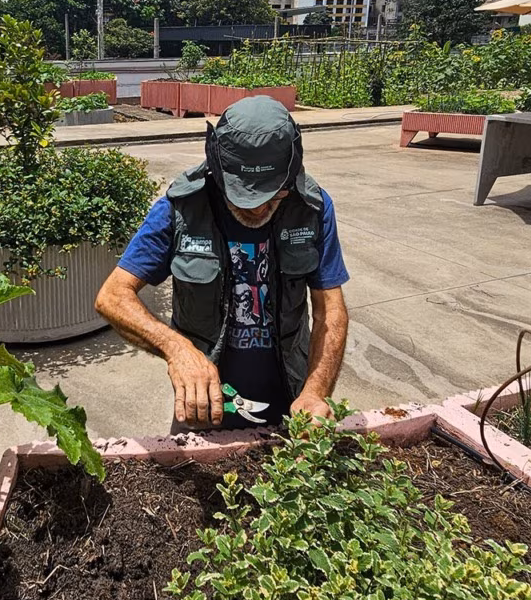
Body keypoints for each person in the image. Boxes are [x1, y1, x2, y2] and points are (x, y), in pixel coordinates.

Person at [95, 96, 350, 430]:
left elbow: (330, 310)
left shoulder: (312, 206)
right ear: (218, 168)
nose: (258, 209)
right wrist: (177, 349)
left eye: (272, 195)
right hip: (204, 408)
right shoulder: (182, 207)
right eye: (243, 196)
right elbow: (113, 296)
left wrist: (316, 392)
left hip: (292, 401)